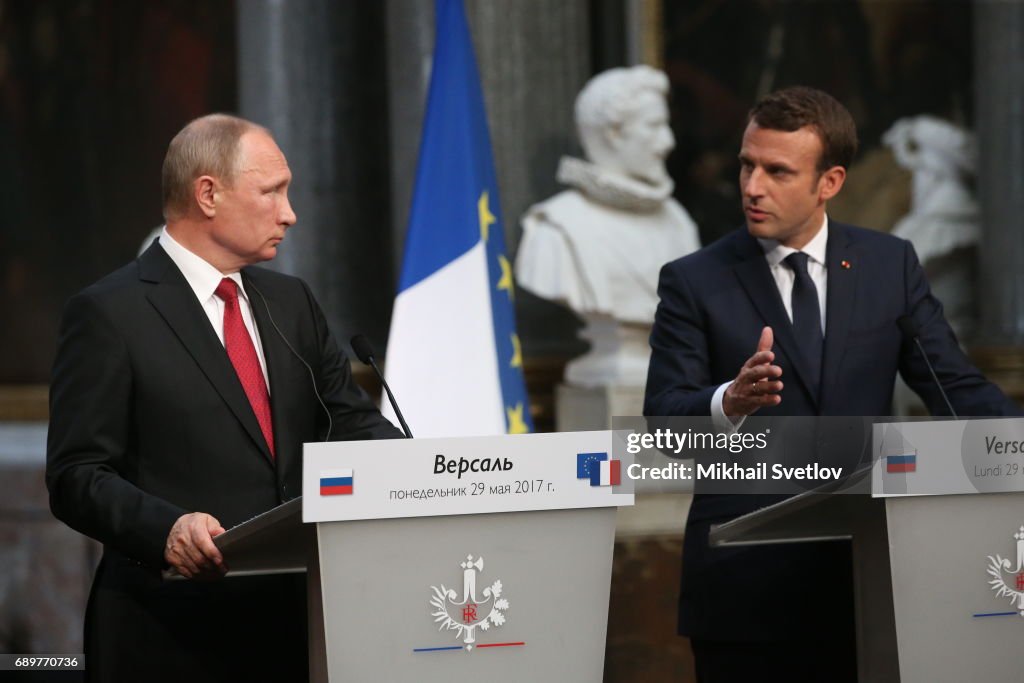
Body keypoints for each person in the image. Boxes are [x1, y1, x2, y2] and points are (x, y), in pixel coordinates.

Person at [643, 87, 1021, 681]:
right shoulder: (694, 281)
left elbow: (956, 389)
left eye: (777, 171)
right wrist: (728, 402)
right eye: (747, 164)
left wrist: (1016, 454)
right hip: (745, 597)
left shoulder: (888, 265)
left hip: (870, 587)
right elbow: (663, 423)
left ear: (830, 182)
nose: (751, 186)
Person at [46, 114, 402, 682]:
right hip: (172, 632)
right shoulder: (110, 312)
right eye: (272, 192)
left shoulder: (291, 302)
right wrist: (166, 529)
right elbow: (76, 474)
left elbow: (350, 424)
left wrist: (438, 475)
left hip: (299, 629)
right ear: (208, 194)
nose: (290, 213)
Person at [516, 65, 700, 387]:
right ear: (613, 133)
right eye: (654, 126)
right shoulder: (557, 226)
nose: (668, 141)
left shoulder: (678, 221)